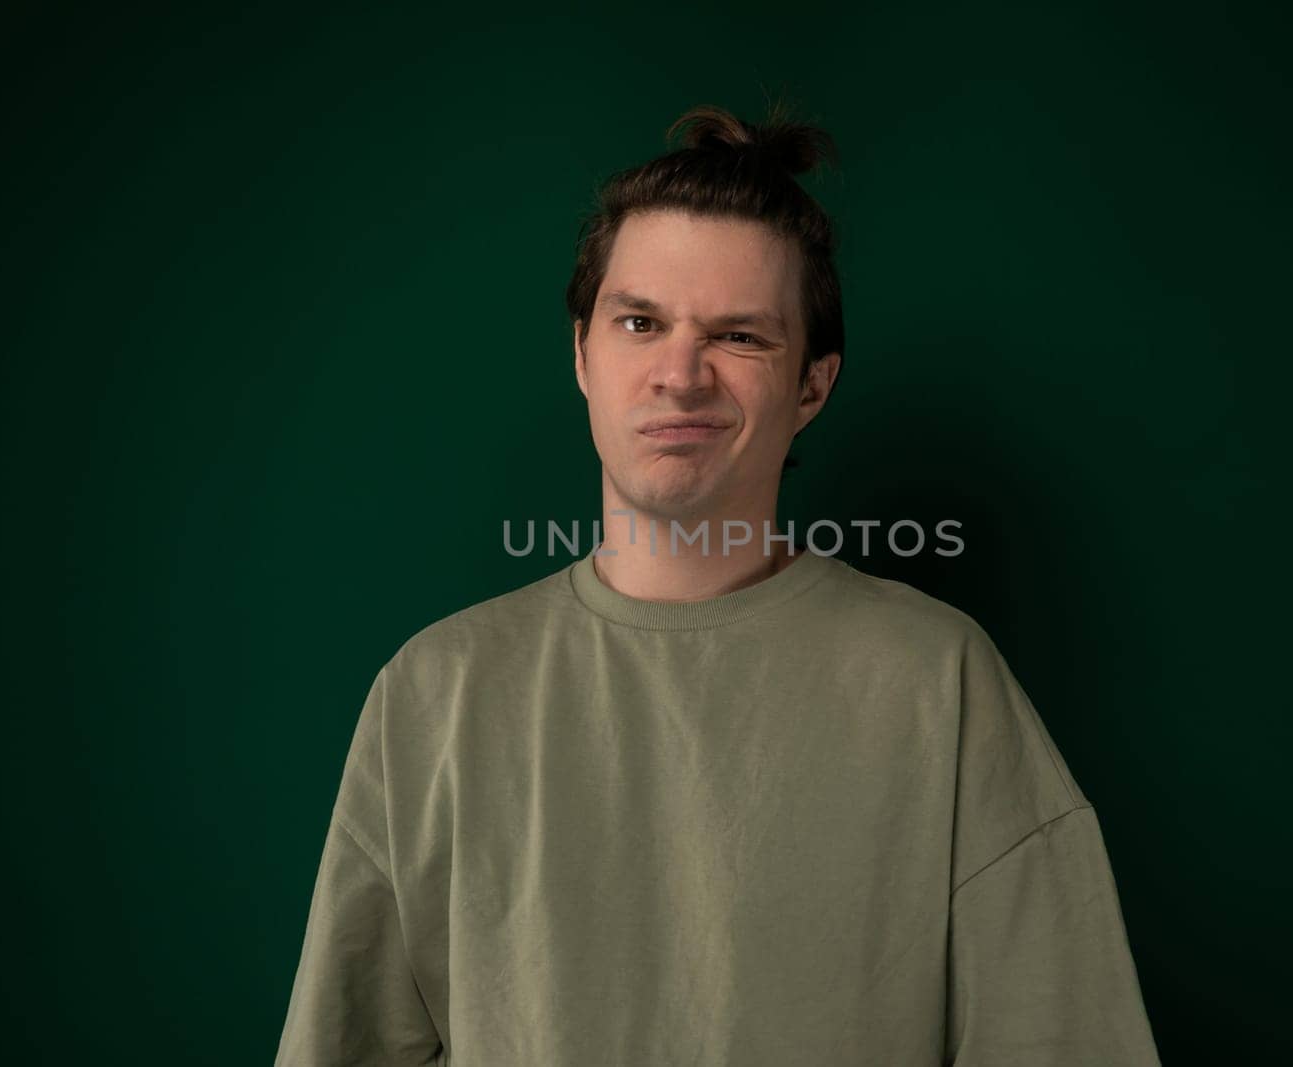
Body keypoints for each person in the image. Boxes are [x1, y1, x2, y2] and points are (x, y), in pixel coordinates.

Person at [274, 101, 1162, 1066]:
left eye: (740, 336)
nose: (681, 375)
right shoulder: (436, 692)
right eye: (640, 321)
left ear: (814, 385)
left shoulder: (938, 683)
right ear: (583, 352)